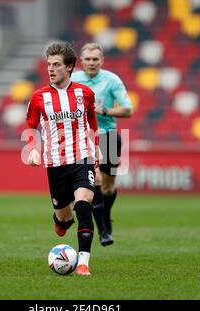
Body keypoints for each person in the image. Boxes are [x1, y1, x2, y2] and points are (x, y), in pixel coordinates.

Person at [25, 42, 100, 276]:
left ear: (69, 67)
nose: (51, 69)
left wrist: (97, 149)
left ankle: (84, 263)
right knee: (64, 221)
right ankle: (61, 222)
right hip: (56, 164)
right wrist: (32, 149)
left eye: (56, 64)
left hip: (82, 158)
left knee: (83, 205)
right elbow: (31, 125)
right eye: (49, 65)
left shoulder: (85, 93)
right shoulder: (38, 97)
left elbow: (93, 121)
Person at [71, 43, 132, 247]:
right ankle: (103, 231)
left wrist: (103, 111)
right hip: (83, 138)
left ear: (101, 61)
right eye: (87, 59)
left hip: (108, 137)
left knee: (108, 186)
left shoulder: (112, 80)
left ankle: (105, 215)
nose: (91, 63)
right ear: (81, 60)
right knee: (94, 180)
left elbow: (127, 110)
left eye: (95, 59)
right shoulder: (73, 80)